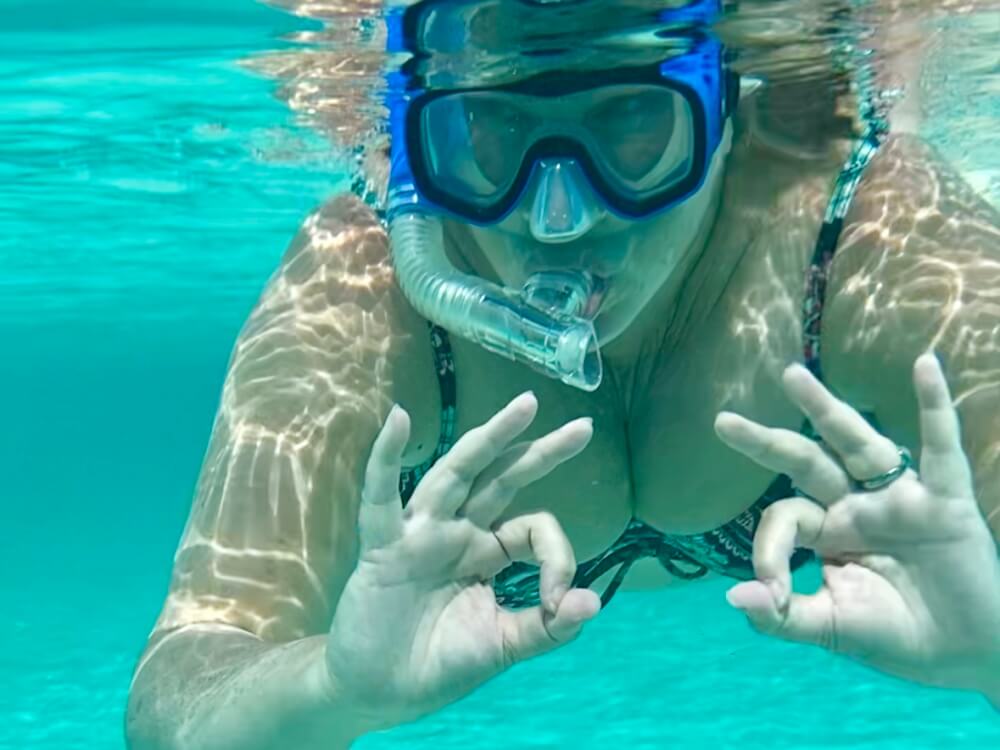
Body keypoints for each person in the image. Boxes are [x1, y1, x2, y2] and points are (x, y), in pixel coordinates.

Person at [125, 1, 1000, 747]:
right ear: (416, 153)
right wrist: (333, 689)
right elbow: (184, 674)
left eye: (633, 126)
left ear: (724, 110)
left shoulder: (871, 232)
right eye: (487, 138)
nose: (558, 218)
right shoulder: (360, 289)